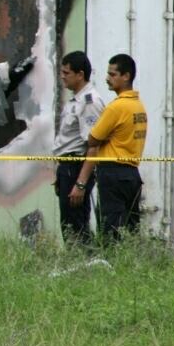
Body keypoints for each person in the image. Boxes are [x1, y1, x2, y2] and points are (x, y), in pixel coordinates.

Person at [70, 53, 147, 241]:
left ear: (126, 76)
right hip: (132, 174)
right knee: (130, 229)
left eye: (113, 74)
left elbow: (93, 138)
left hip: (113, 173)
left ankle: (111, 265)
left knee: (110, 230)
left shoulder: (116, 107)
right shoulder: (138, 106)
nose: (107, 78)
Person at [54, 51, 105, 245]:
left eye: (66, 72)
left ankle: (84, 266)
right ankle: (78, 265)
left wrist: (80, 183)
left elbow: (93, 146)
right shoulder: (76, 99)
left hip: (77, 167)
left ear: (80, 74)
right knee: (69, 223)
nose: (62, 76)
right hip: (67, 167)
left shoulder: (89, 102)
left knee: (76, 226)